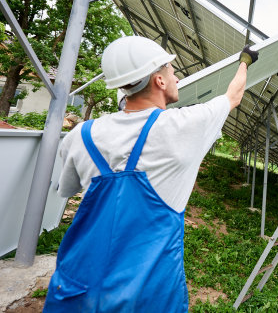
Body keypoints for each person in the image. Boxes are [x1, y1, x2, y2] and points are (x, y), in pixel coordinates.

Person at [43, 36, 259, 312]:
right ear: (159, 80)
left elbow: (68, 189)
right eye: (171, 71)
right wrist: (244, 62)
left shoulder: (79, 135)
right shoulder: (183, 126)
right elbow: (233, 97)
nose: (177, 78)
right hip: (147, 295)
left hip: (77, 287)